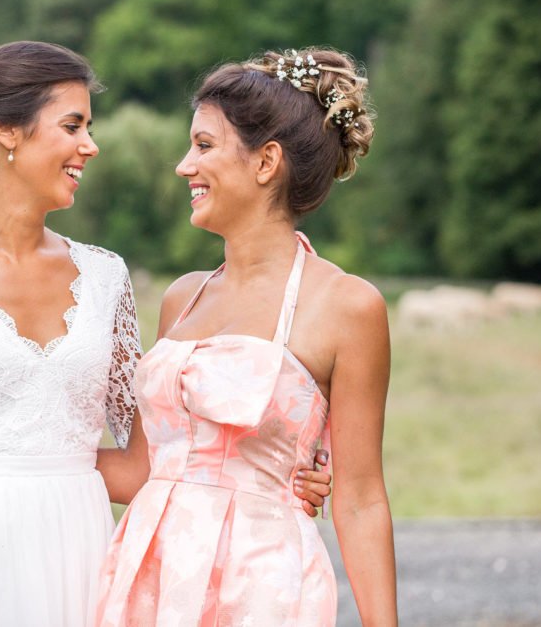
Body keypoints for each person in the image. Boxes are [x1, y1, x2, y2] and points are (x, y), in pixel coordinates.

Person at [0, 41, 332, 627]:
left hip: (82, 553)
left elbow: (152, 457)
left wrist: (278, 471)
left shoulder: (105, 278)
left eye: (89, 128)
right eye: (72, 125)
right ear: (6, 130)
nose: (90, 146)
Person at [95, 48, 398, 626]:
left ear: (266, 163)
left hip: (261, 590)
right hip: (146, 582)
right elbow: (142, 471)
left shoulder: (347, 306)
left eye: (204, 145)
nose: (185, 165)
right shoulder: (184, 298)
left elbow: (360, 500)